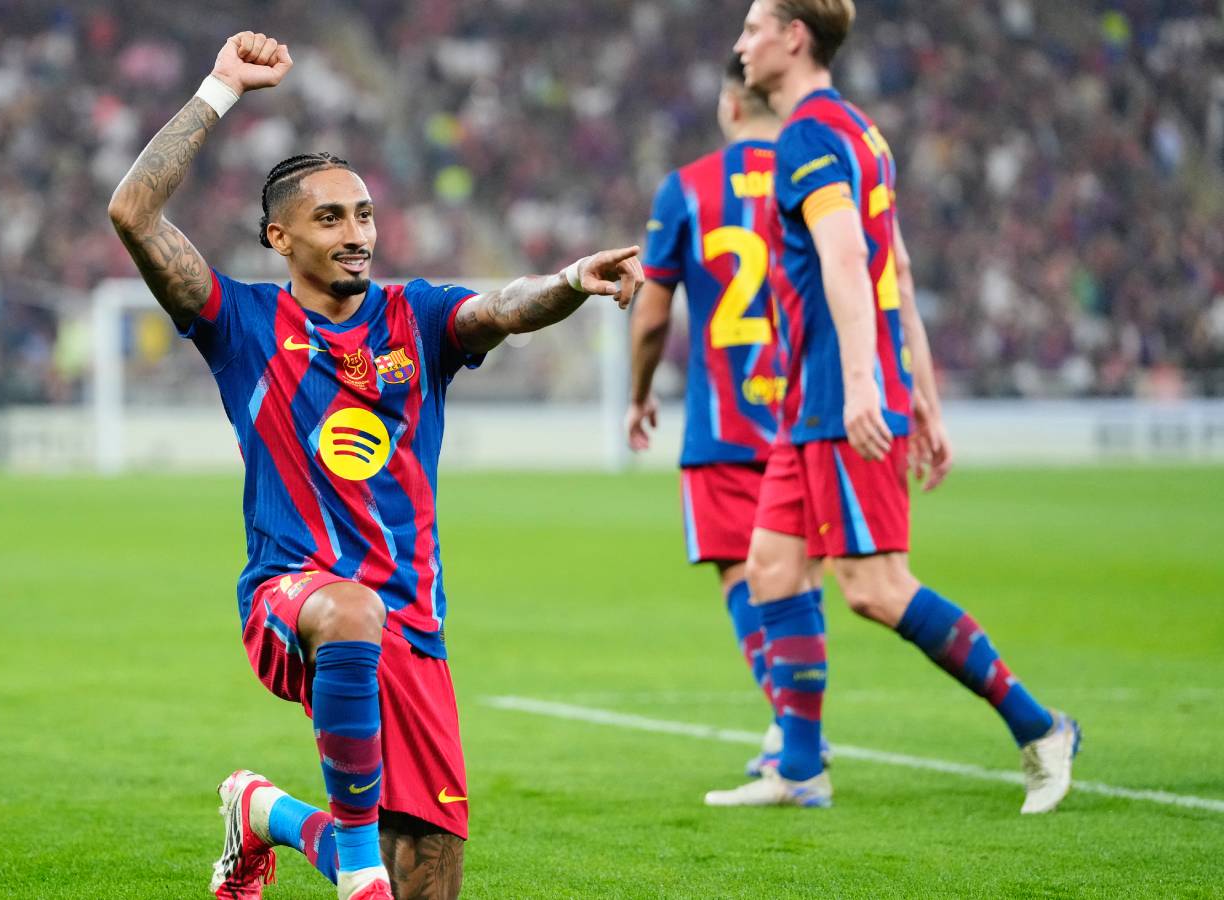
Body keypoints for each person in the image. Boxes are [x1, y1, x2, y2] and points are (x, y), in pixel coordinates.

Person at [107, 32, 643, 900]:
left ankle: (264, 813)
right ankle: (352, 855)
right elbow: (133, 213)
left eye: (363, 215)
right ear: (279, 236)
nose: (356, 234)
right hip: (293, 600)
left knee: (428, 881)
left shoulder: (416, 317)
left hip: (414, 625)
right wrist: (219, 89)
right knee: (352, 616)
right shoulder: (241, 325)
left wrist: (572, 280)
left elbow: (503, 307)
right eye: (330, 218)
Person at [705, 0, 1079, 813]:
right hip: (816, 402)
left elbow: (849, 259)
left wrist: (867, 385)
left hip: (842, 398)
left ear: (794, 38)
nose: (741, 44)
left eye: (754, 28)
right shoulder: (861, 134)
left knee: (876, 587)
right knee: (771, 568)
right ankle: (799, 768)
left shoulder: (808, 137)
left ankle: (1042, 726)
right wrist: (927, 398)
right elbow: (897, 271)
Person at [628, 54, 830, 776]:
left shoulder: (687, 187)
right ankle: (797, 733)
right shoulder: (818, 176)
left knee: (742, 575)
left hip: (724, 424)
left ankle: (794, 730)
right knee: (801, 577)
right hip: (807, 411)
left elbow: (653, 317)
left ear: (731, 104)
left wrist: (639, 393)